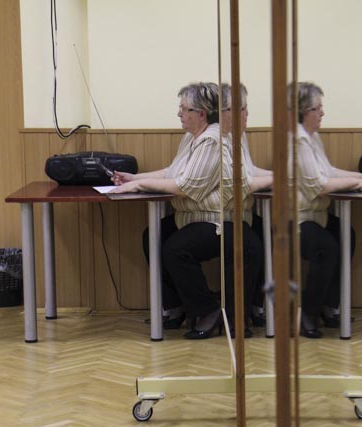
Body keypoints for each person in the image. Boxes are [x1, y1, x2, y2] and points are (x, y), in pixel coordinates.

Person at [111, 82, 260, 339]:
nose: (179, 113)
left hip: (217, 220)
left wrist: (139, 186)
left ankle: (208, 311)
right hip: (192, 217)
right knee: (153, 236)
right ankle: (176, 306)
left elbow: (185, 186)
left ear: (201, 113)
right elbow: (173, 172)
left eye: (184, 109)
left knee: (175, 249)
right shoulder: (193, 137)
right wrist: (134, 178)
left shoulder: (212, 141)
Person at [289, 81, 362, 338]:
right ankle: (307, 313)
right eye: (317, 108)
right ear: (302, 111)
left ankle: (328, 305)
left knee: (345, 235)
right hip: (295, 220)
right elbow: (319, 186)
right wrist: (359, 184)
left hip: (316, 216)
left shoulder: (311, 137)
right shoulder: (296, 141)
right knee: (327, 248)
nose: (322, 113)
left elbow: (328, 171)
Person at [220, 83, 272, 330]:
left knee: (272, 234)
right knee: (252, 246)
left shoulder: (239, 136)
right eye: (241, 109)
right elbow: (241, 184)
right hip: (221, 216)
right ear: (224, 112)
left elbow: (249, 172)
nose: (247, 114)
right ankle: (236, 317)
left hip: (241, 212)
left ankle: (256, 306)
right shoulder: (217, 140)